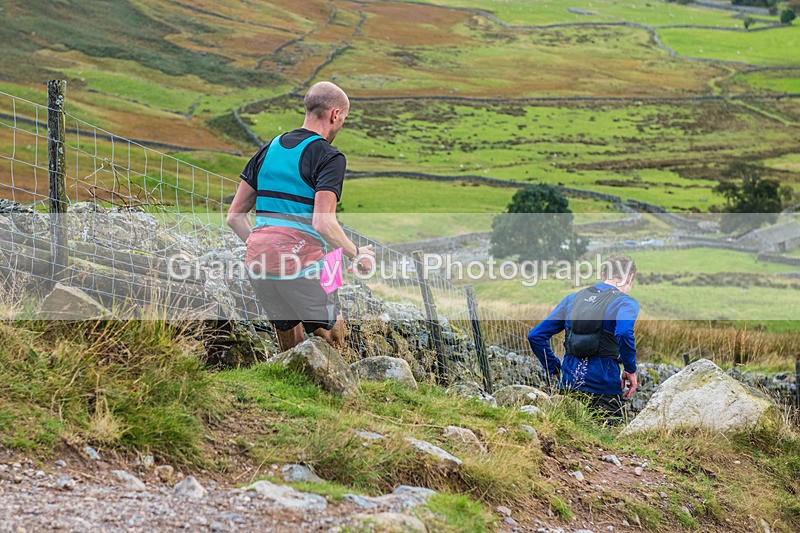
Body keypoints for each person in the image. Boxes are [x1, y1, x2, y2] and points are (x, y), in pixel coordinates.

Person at [226, 81, 375, 352]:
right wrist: (357, 254)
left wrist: (266, 248)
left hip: (258, 261)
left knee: (289, 348)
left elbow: (234, 216)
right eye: (343, 118)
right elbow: (323, 223)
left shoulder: (268, 148)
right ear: (335, 115)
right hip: (304, 260)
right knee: (334, 338)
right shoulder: (330, 157)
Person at [527, 254, 640, 420]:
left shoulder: (572, 299)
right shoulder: (625, 302)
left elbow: (535, 336)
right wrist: (630, 369)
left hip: (568, 387)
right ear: (630, 278)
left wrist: (556, 369)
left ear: (603, 275)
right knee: (608, 443)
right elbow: (623, 332)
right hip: (604, 390)